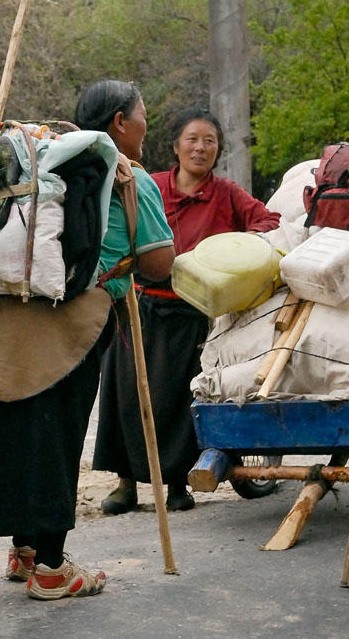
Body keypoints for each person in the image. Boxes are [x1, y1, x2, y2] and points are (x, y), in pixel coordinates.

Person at [0, 79, 174, 601]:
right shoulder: (128, 177)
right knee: (56, 437)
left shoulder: (40, 163)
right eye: (142, 113)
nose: (147, 123)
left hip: (8, 310)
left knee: (11, 432)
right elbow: (159, 263)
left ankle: (25, 551)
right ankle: (52, 571)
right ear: (121, 122)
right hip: (74, 318)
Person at [94, 108, 278, 514]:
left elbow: (268, 220)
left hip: (192, 311)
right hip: (138, 304)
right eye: (192, 139)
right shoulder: (149, 185)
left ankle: (177, 482)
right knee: (126, 396)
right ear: (175, 146)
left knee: (178, 399)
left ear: (218, 150)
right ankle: (126, 483)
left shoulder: (227, 193)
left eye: (209, 141)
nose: (200, 147)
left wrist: (236, 247)